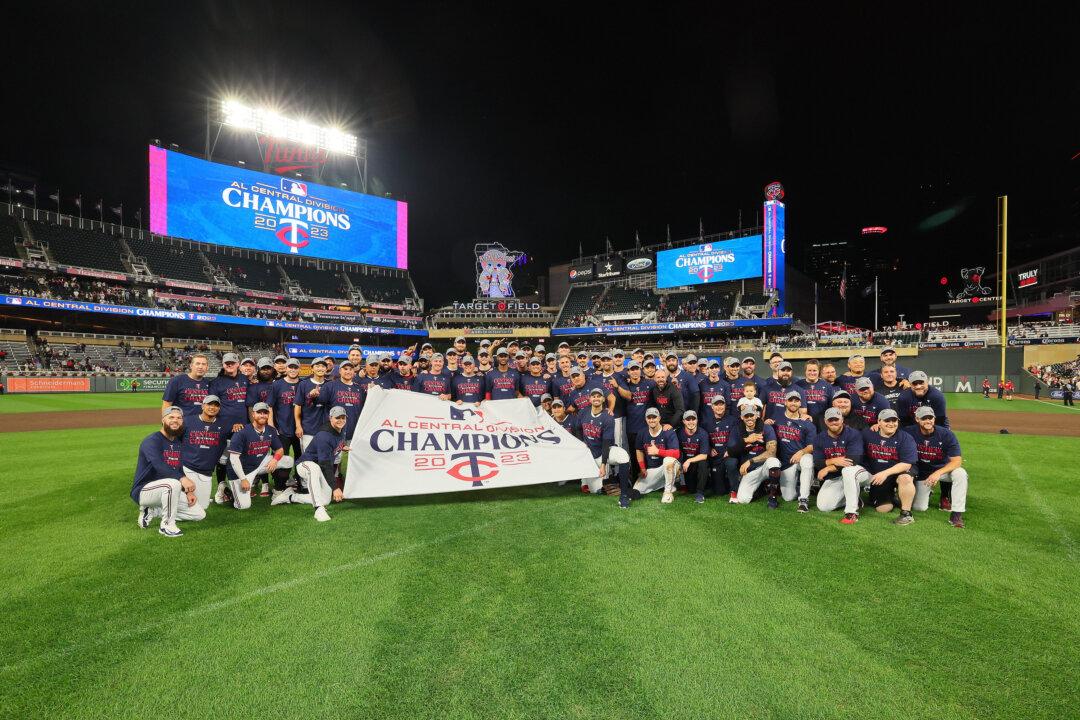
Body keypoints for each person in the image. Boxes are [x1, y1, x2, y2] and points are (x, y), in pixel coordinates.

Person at [132, 406, 205, 536]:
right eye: (171, 417)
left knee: (198, 514)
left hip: (168, 488)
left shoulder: (177, 443)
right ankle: (167, 526)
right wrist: (182, 479)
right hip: (144, 490)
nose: (175, 420)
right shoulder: (152, 441)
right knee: (174, 483)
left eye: (179, 418)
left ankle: (154, 511)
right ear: (163, 420)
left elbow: (178, 468)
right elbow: (159, 465)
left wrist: (188, 491)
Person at [903, 406, 969, 528]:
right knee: (919, 507)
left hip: (942, 472)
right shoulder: (909, 432)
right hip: (922, 473)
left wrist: (938, 473)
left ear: (934, 418)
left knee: (960, 473)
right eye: (924, 418)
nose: (928, 421)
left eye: (930, 418)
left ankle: (957, 514)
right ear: (917, 419)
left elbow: (957, 461)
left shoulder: (946, 434)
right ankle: (928, 492)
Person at [851, 409, 918, 523]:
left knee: (905, 478)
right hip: (880, 476)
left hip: (899, 471)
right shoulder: (868, 434)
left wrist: (885, 473)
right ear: (879, 422)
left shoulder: (905, 437)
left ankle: (906, 514)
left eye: (894, 420)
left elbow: (907, 463)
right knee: (883, 509)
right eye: (887, 420)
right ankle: (895, 496)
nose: (891, 424)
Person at [226, 402, 294, 510]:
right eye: (259, 412)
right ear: (253, 414)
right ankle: (230, 493)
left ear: (268, 415)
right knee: (243, 506)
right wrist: (243, 479)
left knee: (288, 460)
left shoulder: (270, 430)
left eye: (265, 413)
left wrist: (275, 460)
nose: (262, 415)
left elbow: (280, 449)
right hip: (241, 472)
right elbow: (233, 459)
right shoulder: (242, 432)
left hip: (260, 464)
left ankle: (278, 489)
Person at [576, 388, 631, 504]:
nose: (596, 398)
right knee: (595, 490)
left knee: (623, 455)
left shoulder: (608, 416)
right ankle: (605, 484)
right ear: (589, 399)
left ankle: (624, 495)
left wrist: (603, 465)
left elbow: (606, 442)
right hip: (590, 455)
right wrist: (582, 442)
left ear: (603, 399)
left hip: (604, 451)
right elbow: (577, 428)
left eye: (599, 396)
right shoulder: (583, 412)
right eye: (593, 396)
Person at [295, 406, 349, 521]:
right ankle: (318, 509)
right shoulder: (324, 435)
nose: (341, 420)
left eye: (343, 417)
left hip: (320, 467)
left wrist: (342, 446)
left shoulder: (341, 428)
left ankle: (291, 497)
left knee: (325, 499)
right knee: (314, 469)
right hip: (305, 464)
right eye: (337, 418)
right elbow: (325, 464)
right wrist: (335, 488)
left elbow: (336, 441)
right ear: (330, 418)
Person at [209, 352, 250, 505]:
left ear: (238, 364)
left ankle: (238, 486)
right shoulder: (216, 383)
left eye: (232, 362)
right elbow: (213, 407)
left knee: (240, 458)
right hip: (225, 427)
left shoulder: (244, 379)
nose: (230, 365)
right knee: (223, 459)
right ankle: (221, 486)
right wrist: (226, 426)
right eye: (227, 363)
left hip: (244, 427)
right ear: (223, 365)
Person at [813, 407, 865, 524]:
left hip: (859, 472)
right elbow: (818, 462)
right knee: (823, 506)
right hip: (836, 476)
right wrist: (834, 460)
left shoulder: (853, 434)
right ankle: (854, 498)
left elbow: (853, 460)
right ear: (825, 421)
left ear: (842, 420)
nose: (834, 422)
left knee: (848, 471)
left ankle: (852, 513)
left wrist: (828, 467)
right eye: (830, 420)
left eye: (836, 419)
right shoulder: (819, 438)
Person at [179, 395, 228, 511]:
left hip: (206, 471)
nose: (212, 407)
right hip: (187, 468)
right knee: (181, 501)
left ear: (219, 408)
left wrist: (237, 426)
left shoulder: (224, 425)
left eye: (216, 405)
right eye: (209, 404)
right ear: (202, 406)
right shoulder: (187, 421)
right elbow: (175, 441)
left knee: (203, 507)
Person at [727, 406, 781, 506]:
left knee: (773, 461)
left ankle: (773, 497)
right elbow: (730, 451)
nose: (749, 418)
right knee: (743, 499)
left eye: (751, 415)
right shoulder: (737, 429)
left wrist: (750, 461)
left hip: (764, 467)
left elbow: (772, 452)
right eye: (746, 416)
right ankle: (762, 488)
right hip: (750, 471)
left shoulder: (766, 428)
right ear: (742, 417)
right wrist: (746, 440)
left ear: (756, 415)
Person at [772, 390, 816, 512]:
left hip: (801, 457)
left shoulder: (807, 423)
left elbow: (811, 446)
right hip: (786, 462)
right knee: (788, 497)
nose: (793, 403)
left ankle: (803, 500)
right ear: (785, 402)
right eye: (790, 400)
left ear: (800, 403)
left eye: (796, 401)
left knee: (808, 460)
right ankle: (801, 485)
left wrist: (801, 452)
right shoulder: (776, 418)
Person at [269, 359, 303, 494]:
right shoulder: (277, 384)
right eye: (290, 367)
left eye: (295, 367)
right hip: (282, 428)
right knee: (281, 459)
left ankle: (300, 483)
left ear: (299, 369)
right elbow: (270, 406)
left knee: (301, 458)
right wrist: (271, 425)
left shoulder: (303, 384)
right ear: (286, 368)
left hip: (300, 429)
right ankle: (279, 487)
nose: (293, 370)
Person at [631, 408, 680, 502]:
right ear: (646, 419)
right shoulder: (642, 432)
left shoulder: (668, 431)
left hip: (668, 465)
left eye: (654, 417)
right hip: (653, 469)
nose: (651, 420)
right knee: (637, 489)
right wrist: (642, 468)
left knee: (668, 460)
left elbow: (676, 453)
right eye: (649, 418)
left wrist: (658, 452)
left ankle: (668, 492)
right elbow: (639, 450)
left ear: (659, 418)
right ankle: (667, 483)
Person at [701, 396, 738, 498]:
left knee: (731, 463)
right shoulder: (706, 422)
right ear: (712, 407)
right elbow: (703, 439)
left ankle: (734, 490)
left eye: (721, 404)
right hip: (716, 458)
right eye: (716, 405)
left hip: (728, 455)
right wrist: (709, 449)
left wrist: (730, 450)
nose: (719, 407)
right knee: (719, 491)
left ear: (725, 406)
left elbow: (736, 438)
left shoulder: (733, 420)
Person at [294, 357, 329, 452]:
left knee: (324, 458)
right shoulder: (304, 384)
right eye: (317, 366)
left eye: (323, 366)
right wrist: (298, 426)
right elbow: (298, 406)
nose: (320, 368)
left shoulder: (330, 384)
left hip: (326, 430)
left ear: (326, 369)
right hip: (308, 429)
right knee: (308, 458)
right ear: (312, 368)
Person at [675, 410, 711, 503]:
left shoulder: (703, 433)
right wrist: (680, 464)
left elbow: (704, 455)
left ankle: (700, 493)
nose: (691, 422)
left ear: (697, 420)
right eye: (688, 419)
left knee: (703, 463)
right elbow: (677, 451)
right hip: (686, 466)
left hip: (697, 464)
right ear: (684, 421)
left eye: (693, 419)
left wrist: (689, 460)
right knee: (691, 489)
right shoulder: (679, 433)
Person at [161, 353, 209, 418]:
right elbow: (167, 404)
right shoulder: (176, 381)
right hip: (182, 422)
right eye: (197, 363)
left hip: (201, 423)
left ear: (207, 367)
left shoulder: (209, 384)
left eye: (203, 364)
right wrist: (165, 421)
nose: (200, 367)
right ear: (191, 366)